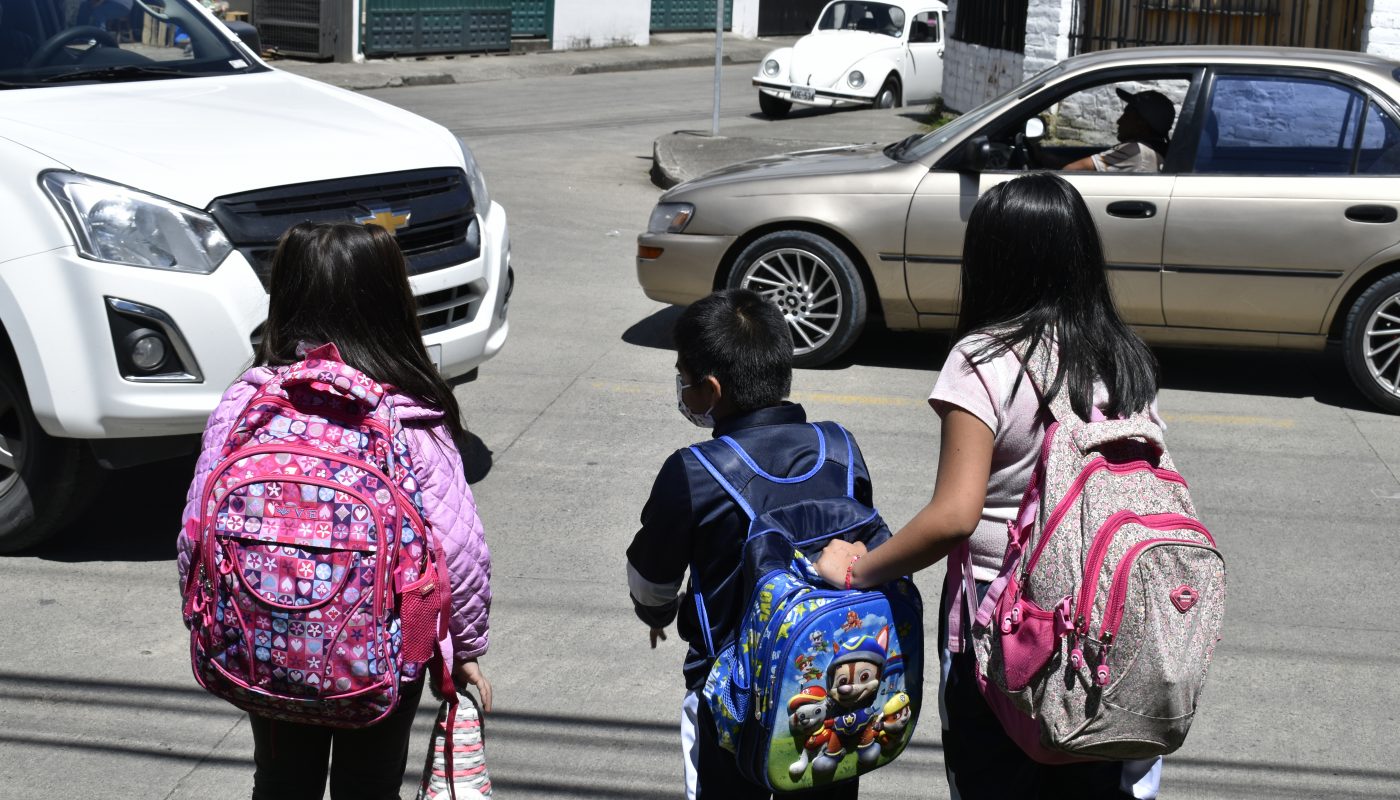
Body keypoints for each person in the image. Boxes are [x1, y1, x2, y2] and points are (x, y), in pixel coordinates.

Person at [814, 173, 1164, 799]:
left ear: (990, 261)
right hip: (1110, 634)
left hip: (1003, 640)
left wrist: (858, 571)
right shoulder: (1123, 356)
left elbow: (954, 516)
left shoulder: (984, 358)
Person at [176, 222, 493, 800]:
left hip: (264, 643)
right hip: (383, 656)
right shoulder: (409, 415)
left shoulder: (247, 403)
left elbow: (197, 529)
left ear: (285, 294)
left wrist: (208, 614)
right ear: (392, 300)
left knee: (281, 782)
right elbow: (459, 551)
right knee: (369, 786)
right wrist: (463, 649)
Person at [626, 289, 867, 800]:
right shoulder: (842, 450)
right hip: (832, 685)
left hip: (730, 698)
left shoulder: (693, 471)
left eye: (685, 379)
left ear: (710, 390)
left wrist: (657, 613)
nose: (682, 389)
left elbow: (651, 579)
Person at [1060, 88, 1176, 173]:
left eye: (1127, 115)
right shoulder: (1158, 150)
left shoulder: (1136, 150)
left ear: (1141, 123)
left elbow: (1069, 170)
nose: (1119, 121)